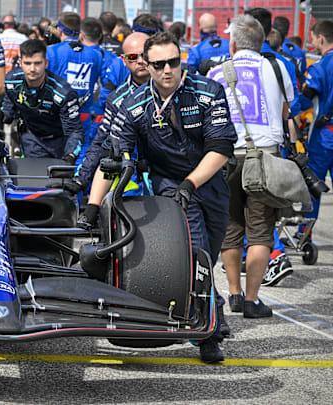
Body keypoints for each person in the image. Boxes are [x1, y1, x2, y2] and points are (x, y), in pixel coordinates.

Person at [86, 32, 237, 363]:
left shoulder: (208, 91)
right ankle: (208, 334)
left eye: (174, 62)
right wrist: (92, 206)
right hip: (170, 191)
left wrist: (192, 183)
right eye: (159, 64)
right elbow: (111, 159)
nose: (168, 69)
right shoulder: (133, 105)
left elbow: (222, 148)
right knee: (195, 256)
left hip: (209, 182)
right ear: (147, 64)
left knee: (207, 258)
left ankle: (212, 314)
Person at [209, 14, 294, 318]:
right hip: (264, 156)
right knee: (260, 231)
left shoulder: (217, 71)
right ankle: (252, 300)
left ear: (232, 43)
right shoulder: (277, 67)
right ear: (263, 41)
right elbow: (287, 111)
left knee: (231, 226)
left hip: (227, 157)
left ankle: (233, 292)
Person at [72, 32, 151, 193]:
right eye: (133, 57)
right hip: (134, 175)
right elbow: (101, 140)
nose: (140, 61)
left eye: (144, 55)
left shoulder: (174, 87)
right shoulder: (116, 100)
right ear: (123, 60)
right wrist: (81, 179)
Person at [2, 39, 84, 161]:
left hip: (59, 140)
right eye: (28, 63)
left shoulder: (63, 92)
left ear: (46, 63)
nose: (33, 69)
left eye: (37, 63)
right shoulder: (11, 81)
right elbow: (6, 113)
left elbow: (75, 131)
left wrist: (70, 156)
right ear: (20, 63)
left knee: (59, 177)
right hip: (32, 138)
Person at [45, 14, 103, 165]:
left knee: (54, 156)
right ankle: (79, 185)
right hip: (83, 112)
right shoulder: (96, 55)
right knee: (81, 153)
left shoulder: (51, 52)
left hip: (57, 113)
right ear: (80, 31)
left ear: (59, 30)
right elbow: (95, 83)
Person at [299, 20, 333, 237]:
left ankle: (304, 236)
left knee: (313, 187)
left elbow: (305, 100)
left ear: (320, 38)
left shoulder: (320, 67)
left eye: (312, 38)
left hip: (323, 136)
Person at [245, 8, 300, 118]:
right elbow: (292, 105)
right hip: (275, 128)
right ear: (270, 30)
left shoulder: (233, 61)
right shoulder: (286, 63)